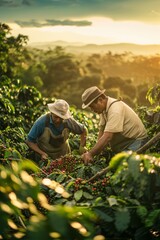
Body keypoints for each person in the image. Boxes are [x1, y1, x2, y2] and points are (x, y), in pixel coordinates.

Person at [81, 86, 148, 165]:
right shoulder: (104, 110)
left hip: (137, 142)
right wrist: (97, 152)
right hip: (124, 145)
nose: (92, 110)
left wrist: (91, 154)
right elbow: (101, 131)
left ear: (100, 100)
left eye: (92, 106)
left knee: (121, 168)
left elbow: (108, 136)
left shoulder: (115, 110)